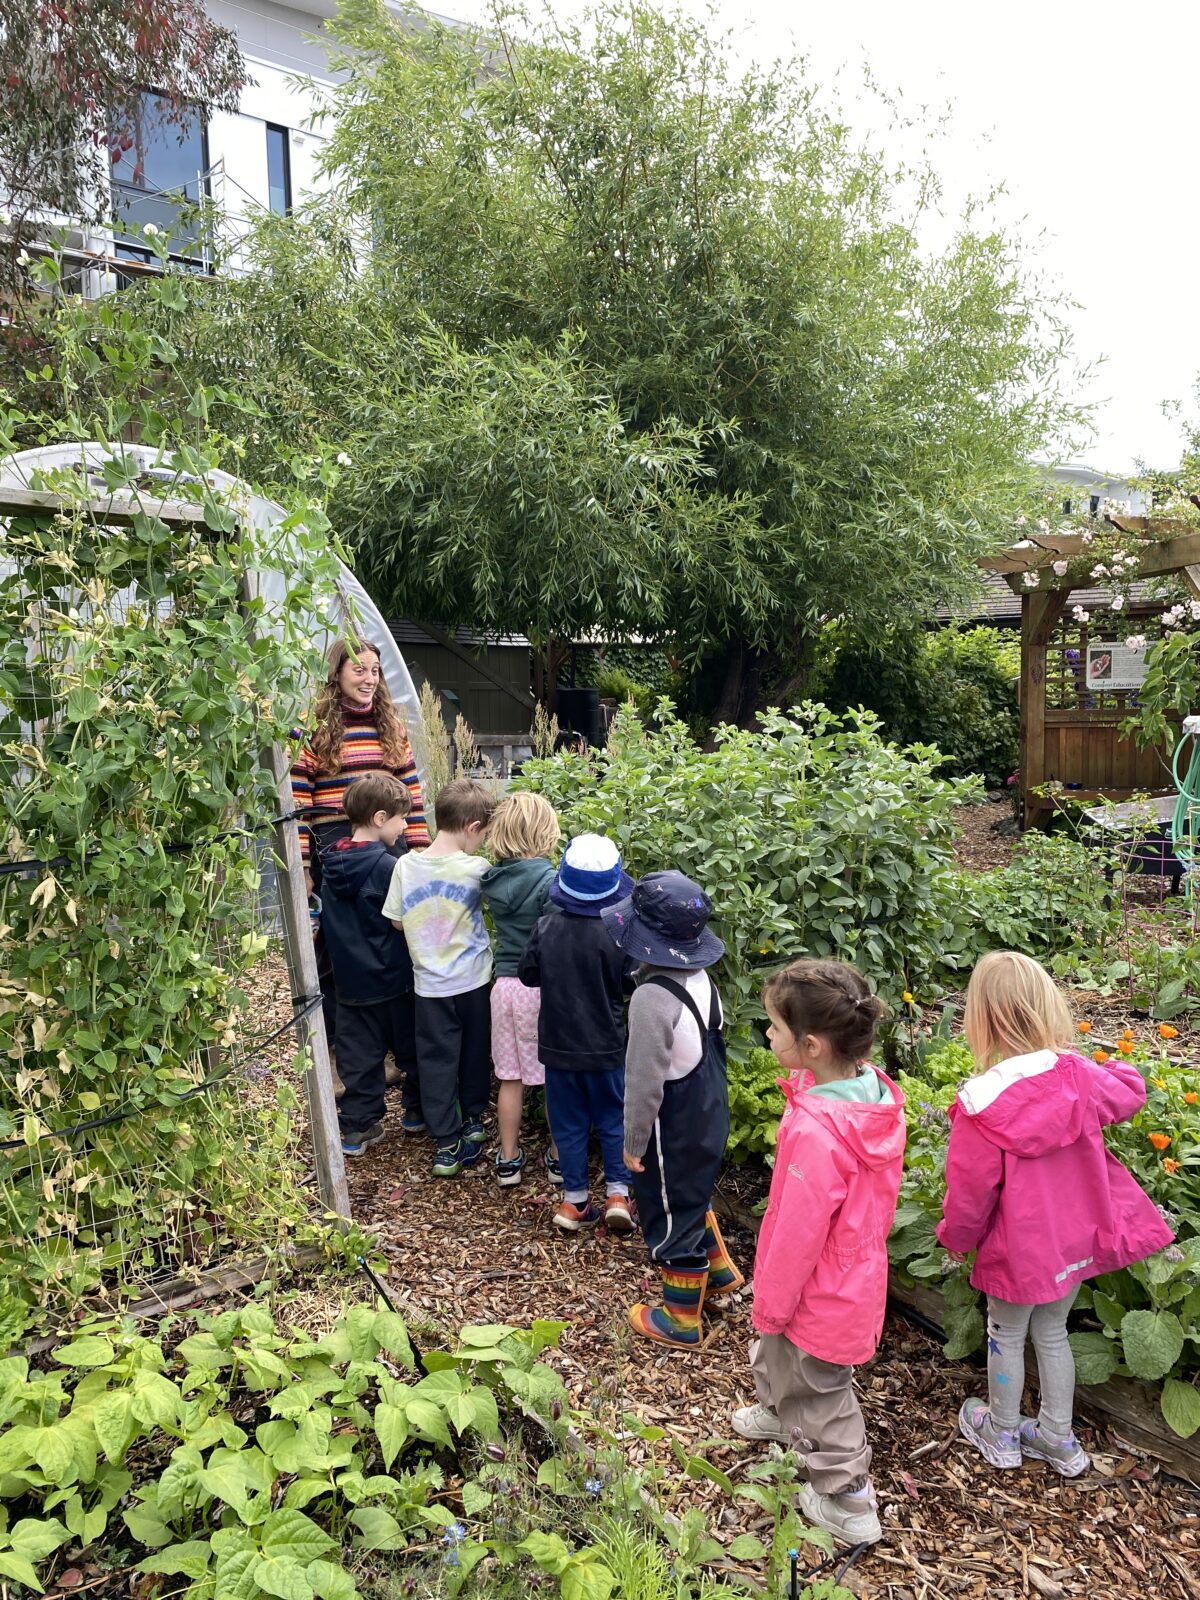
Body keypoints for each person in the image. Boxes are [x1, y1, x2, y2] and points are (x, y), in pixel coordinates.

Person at [938, 950, 1174, 1479]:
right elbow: (1130, 1092)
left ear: (982, 1018)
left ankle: (1000, 1431)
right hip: (1075, 1241)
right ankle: (1058, 1438)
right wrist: (1108, 1060)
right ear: (1046, 1007)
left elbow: (970, 1194)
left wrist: (955, 1236)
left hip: (1018, 1249)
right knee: (1053, 1332)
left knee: (1005, 1330)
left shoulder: (980, 1102)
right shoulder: (1078, 1074)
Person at [732, 958, 900, 1549]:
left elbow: (802, 1232)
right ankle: (781, 1414)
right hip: (849, 1272)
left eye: (775, 1028)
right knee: (783, 1356)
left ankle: (848, 1500)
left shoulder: (819, 1131)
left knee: (821, 1385)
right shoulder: (865, 1097)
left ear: (810, 1044)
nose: (768, 1036)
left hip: (817, 1284)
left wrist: (771, 1298)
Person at [602, 870, 741, 1350]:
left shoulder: (651, 998)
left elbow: (643, 1082)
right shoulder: (701, 980)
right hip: (709, 1110)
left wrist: (633, 1143)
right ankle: (718, 1272)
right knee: (692, 1191)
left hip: (672, 1124)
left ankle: (681, 1317)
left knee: (666, 1210)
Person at [291, 637, 428, 1056]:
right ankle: (339, 1046)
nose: (369, 679)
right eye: (359, 670)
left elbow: (412, 791)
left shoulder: (392, 724)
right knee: (338, 945)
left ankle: (391, 1045)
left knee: (393, 936)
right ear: (337, 673)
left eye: (374, 671)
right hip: (334, 843)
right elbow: (297, 795)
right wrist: (303, 862)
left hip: (390, 840)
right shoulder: (310, 724)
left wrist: (418, 848)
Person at [518, 834, 637, 1234]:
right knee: (612, 1116)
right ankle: (619, 1194)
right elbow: (629, 982)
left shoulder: (546, 927)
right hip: (606, 1045)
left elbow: (527, 974)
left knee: (567, 1123)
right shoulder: (619, 934)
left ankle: (574, 1202)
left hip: (558, 1045)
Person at [382, 778, 496, 1178]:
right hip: (474, 979)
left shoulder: (404, 865)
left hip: (429, 985)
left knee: (436, 1059)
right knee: (474, 1052)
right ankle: (474, 1121)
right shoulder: (477, 869)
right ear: (472, 827)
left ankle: (446, 1142)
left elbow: (396, 922)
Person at [317, 774, 423, 1156]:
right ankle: (416, 1111)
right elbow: (403, 919)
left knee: (359, 1057)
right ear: (380, 819)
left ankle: (357, 1128)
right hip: (394, 978)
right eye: (401, 819)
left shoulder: (330, 864)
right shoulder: (391, 866)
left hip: (349, 983)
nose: (406, 826)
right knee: (412, 1047)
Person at [480, 792, 562, 1187]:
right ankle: (559, 1158)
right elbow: (553, 933)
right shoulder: (549, 880)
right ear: (545, 833)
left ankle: (508, 1159)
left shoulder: (492, 880)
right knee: (553, 1077)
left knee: (509, 1077)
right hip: (538, 986)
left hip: (503, 986)